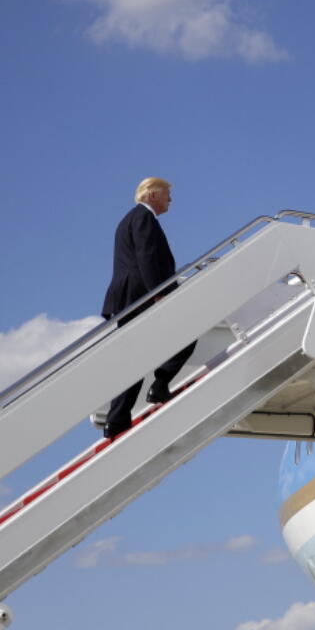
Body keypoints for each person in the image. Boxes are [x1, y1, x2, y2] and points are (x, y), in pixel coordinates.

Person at [100, 177, 196, 439]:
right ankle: (161, 383)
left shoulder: (128, 219)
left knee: (135, 358)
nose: (171, 201)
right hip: (140, 294)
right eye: (168, 195)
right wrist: (160, 293)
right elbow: (147, 256)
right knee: (190, 329)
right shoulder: (143, 218)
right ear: (153, 195)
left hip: (128, 296)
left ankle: (117, 420)